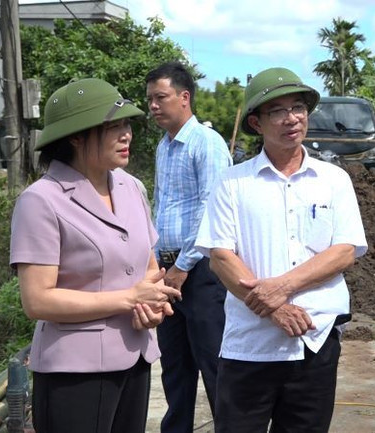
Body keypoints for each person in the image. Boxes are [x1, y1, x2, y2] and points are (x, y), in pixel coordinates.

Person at [195, 67, 367, 433]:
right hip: (249, 347)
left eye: (298, 108)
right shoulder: (233, 183)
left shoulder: (334, 180)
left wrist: (282, 288)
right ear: (256, 123)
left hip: (315, 342)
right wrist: (273, 307)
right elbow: (221, 258)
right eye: (278, 111)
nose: (292, 119)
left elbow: (344, 251)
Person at [9, 78, 182, 433]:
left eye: (126, 124)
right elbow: (38, 300)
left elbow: (148, 269)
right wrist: (129, 299)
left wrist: (150, 303)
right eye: (112, 126)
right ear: (76, 135)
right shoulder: (41, 200)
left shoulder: (131, 187)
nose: (126, 135)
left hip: (135, 355)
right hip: (75, 370)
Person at [145, 62, 233, 432]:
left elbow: (209, 208)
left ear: (184, 98)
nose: (152, 106)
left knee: (214, 364)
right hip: (167, 272)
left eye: (159, 97)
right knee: (175, 367)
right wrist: (157, 264)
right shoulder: (164, 147)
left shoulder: (206, 144)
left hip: (200, 273)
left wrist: (182, 266)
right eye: (149, 99)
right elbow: (159, 204)